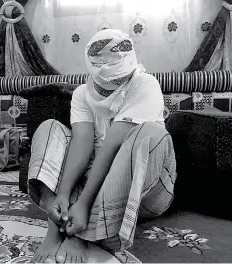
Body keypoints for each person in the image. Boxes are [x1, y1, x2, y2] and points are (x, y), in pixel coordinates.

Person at [27, 29, 177, 263]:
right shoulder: (82, 94)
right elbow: (82, 143)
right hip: (90, 181)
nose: (112, 85)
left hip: (143, 193)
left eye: (118, 78)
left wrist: (84, 203)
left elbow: (111, 146)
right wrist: (64, 195)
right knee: (49, 128)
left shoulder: (145, 85)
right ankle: (56, 224)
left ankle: (85, 234)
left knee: (149, 133)